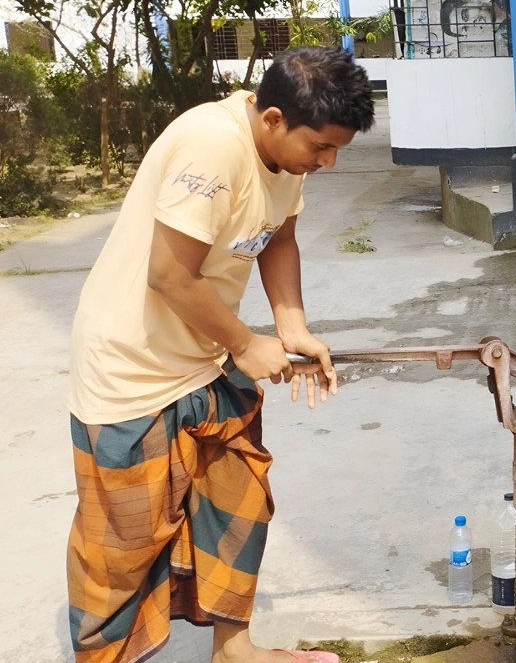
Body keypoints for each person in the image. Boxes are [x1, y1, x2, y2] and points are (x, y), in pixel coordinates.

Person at [65, 47, 375, 663]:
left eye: (338, 149)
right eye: (320, 146)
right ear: (273, 120)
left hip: (201, 361)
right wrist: (244, 343)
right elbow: (169, 276)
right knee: (122, 547)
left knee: (237, 500)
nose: (328, 162)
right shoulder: (212, 146)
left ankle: (235, 650)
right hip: (132, 371)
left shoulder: (287, 162)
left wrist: (292, 327)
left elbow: (279, 236)